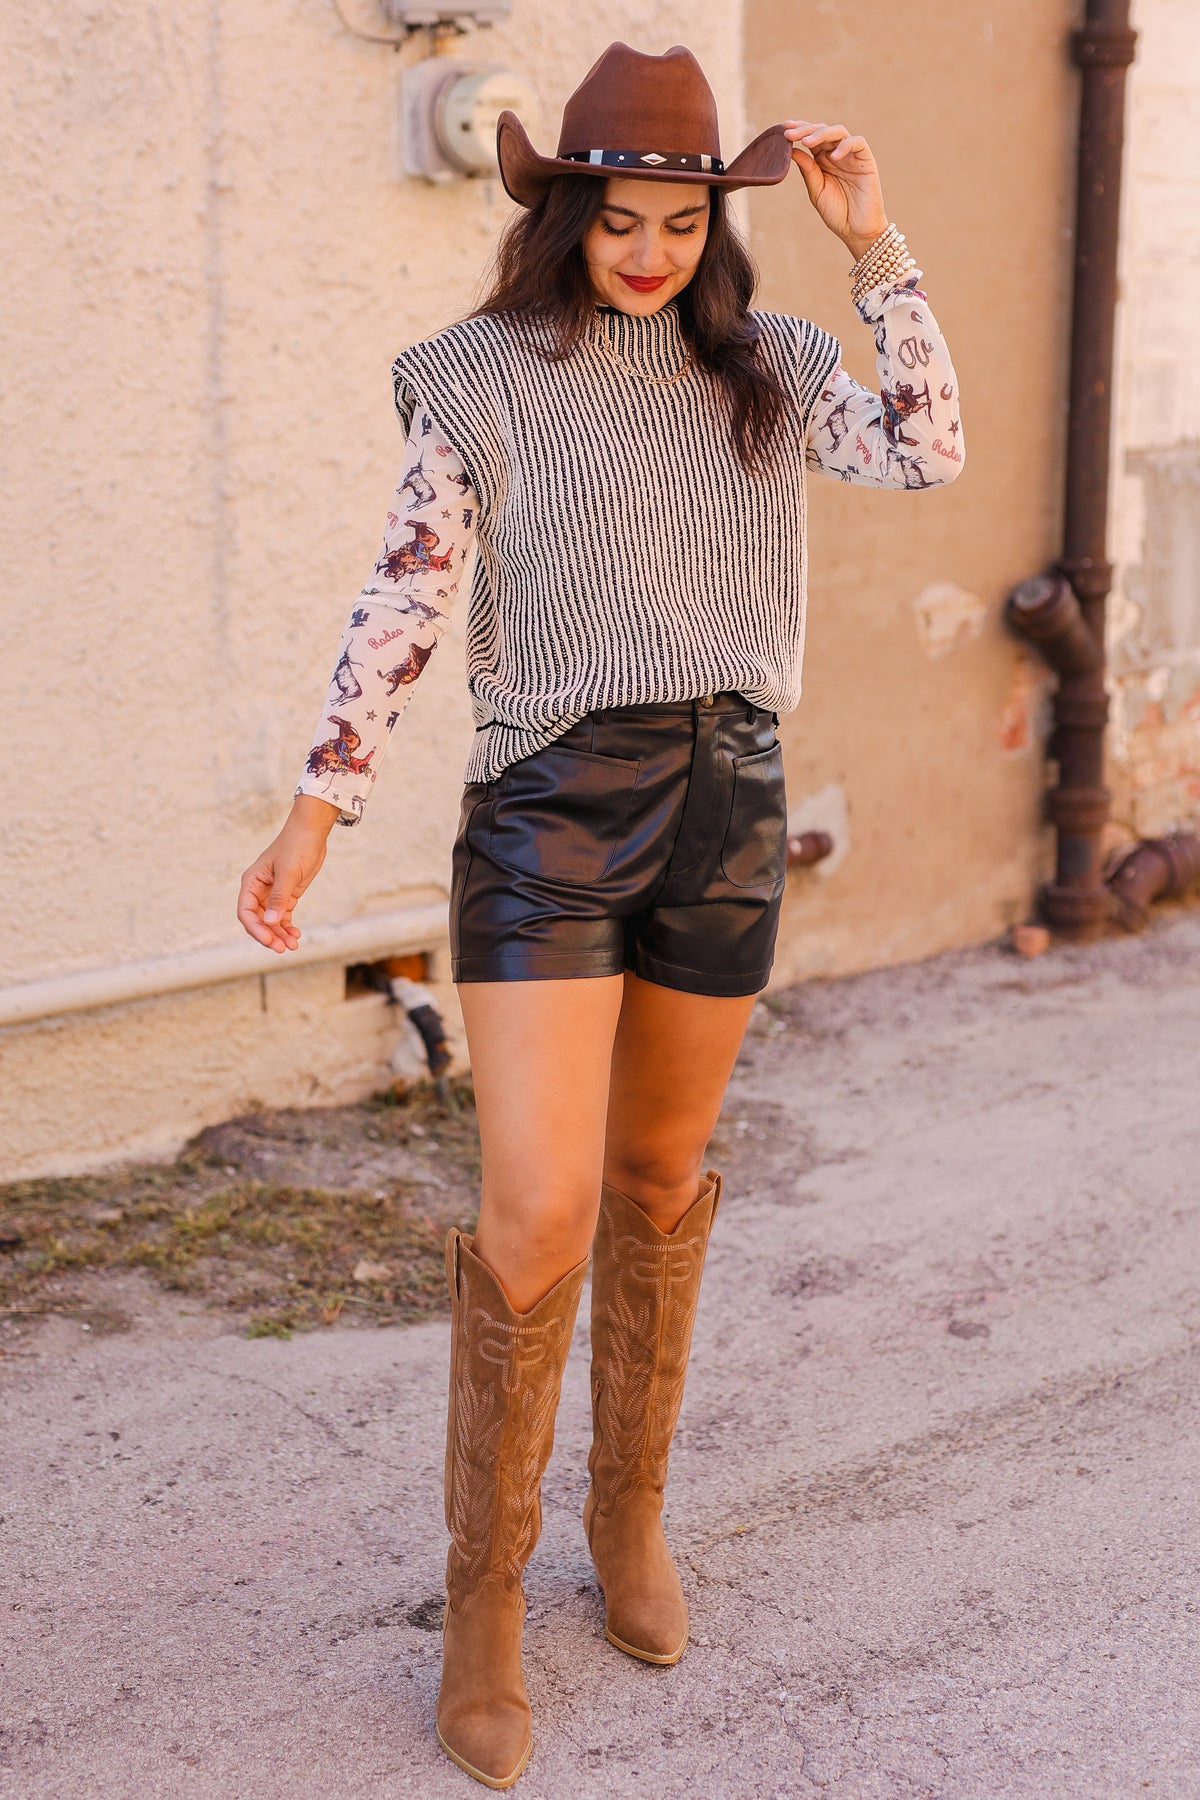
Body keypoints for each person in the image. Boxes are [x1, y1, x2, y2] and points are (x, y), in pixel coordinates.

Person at [236, 40, 964, 1790]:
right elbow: (408, 587)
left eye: (676, 222)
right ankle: (484, 1600)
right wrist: (317, 807)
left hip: (729, 800)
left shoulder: (771, 367)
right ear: (561, 213)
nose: (645, 250)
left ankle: (627, 1518)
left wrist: (879, 249)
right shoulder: (482, 375)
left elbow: (930, 451)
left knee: (655, 1181)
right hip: (554, 809)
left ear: (716, 226)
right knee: (541, 1200)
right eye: (616, 218)